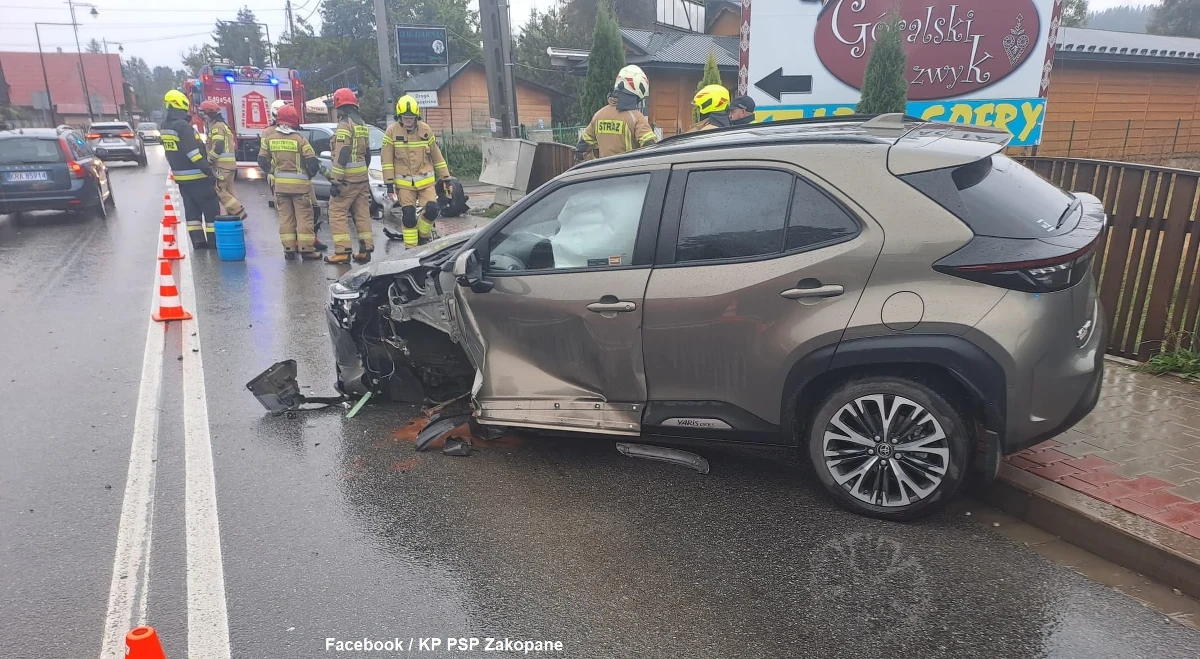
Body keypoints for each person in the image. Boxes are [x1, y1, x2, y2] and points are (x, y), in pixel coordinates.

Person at [380, 94, 451, 247]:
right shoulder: (391, 132)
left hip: (426, 181)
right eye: (405, 118)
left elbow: (437, 156)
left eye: (411, 117)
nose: (408, 120)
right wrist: (389, 184)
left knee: (432, 210)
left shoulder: (426, 130)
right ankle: (411, 248)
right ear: (399, 116)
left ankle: (423, 235)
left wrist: (446, 178)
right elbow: (386, 161)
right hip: (404, 184)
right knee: (408, 217)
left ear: (416, 116)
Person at [257, 105, 321, 260]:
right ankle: (306, 249)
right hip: (300, 188)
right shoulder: (300, 139)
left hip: (280, 187)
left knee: (286, 218)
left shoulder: (270, 139)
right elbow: (313, 163)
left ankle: (289, 249)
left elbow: (261, 160)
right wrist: (309, 175)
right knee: (304, 217)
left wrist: (273, 172)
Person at [162, 90, 221, 248]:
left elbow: (170, 153)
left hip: (182, 179)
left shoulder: (165, 126)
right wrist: (208, 171)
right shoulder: (182, 126)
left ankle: (198, 241)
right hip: (197, 177)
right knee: (210, 209)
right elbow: (193, 153)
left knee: (192, 210)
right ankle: (213, 242)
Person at [324, 87, 373, 264]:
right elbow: (366, 154)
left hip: (347, 180)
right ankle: (365, 249)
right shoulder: (361, 124)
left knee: (336, 212)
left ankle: (342, 251)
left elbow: (343, 153)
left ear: (339, 106)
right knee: (361, 213)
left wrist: (336, 181)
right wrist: (362, 173)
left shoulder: (345, 124)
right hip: (361, 178)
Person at [576, 64, 657, 162]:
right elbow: (652, 150)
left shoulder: (598, 115)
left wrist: (595, 168)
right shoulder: (636, 118)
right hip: (630, 175)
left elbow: (581, 149)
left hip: (604, 175)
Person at [198, 100, 246, 220]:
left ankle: (238, 212)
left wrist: (210, 159)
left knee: (219, 189)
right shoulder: (223, 125)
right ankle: (233, 216)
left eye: (203, 113)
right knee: (228, 191)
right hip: (229, 165)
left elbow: (218, 145)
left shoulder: (216, 127)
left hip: (222, 166)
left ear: (209, 113)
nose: (203, 117)